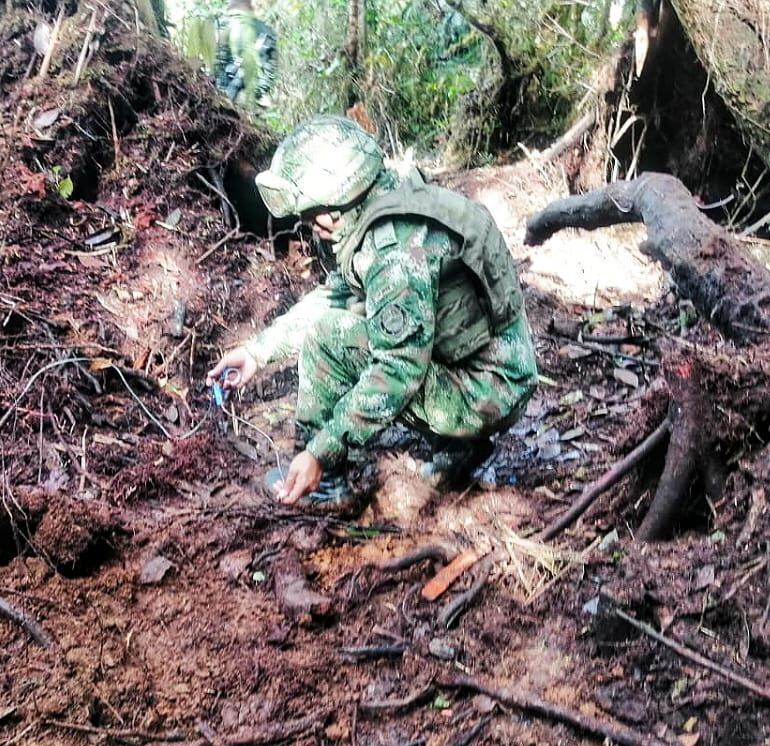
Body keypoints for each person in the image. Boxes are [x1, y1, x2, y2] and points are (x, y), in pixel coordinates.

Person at [206, 116, 538, 510]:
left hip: (486, 392)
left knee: (329, 339)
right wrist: (258, 351)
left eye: (311, 215)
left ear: (330, 210)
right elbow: (338, 294)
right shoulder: (390, 194)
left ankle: (324, 482)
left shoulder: (393, 252)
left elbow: (398, 371)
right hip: (496, 371)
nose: (311, 227)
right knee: (359, 324)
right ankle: (462, 449)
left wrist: (320, 451)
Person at [212, 0, 277, 109]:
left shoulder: (219, 24)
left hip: (219, 92)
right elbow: (269, 71)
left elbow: (213, 63)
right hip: (244, 98)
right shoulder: (265, 31)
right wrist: (257, 92)